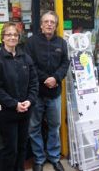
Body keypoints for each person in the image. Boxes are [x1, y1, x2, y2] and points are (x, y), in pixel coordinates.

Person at [0, 22, 38, 171]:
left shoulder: (25, 58)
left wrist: (29, 101)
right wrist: (14, 104)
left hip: (25, 112)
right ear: (2, 38)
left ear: (19, 37)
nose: (12, 37)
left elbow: (34, 83)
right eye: (8, 34)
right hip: (7, 113)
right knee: (10, 150)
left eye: (15, 35)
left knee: (22, 147)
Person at [25, 11, 69, 171]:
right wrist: (46, 79)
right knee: (34, 127)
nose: (49, 24)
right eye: (46, 22)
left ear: (56, 26)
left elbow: (65, 63)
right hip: (35, 93)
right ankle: (38, 159)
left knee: (54, 126)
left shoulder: (62, 43)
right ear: (41, 25)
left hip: (55, 92)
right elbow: (30, 65)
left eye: (52, 22)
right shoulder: (31, 43)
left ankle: (54, 157)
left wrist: (55, 78)